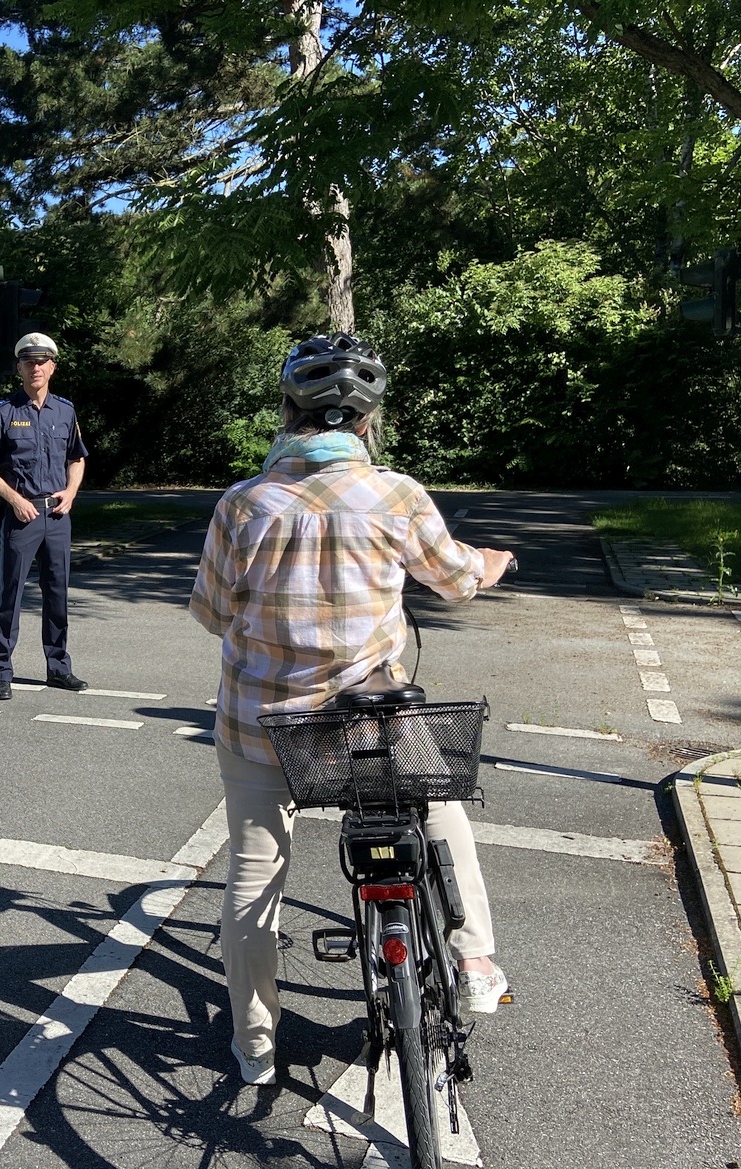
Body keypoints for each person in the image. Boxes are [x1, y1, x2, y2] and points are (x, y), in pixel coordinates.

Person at [189, 333, 516, 1087]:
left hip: (263, 727)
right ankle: (472, 957)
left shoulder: (242, 504)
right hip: (369, 722)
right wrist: (492, 563)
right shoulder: (396, 495)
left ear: (286, 411)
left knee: (254, 873)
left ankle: (255, 1047)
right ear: (368, 423)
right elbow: (457, 578)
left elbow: (211, 612)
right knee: (438, 809)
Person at [0, 332, 89, 700]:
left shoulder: (65, 410)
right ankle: (1, 670)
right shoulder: (5, 413)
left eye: (42, 361)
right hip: (22, 518)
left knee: (57, 594)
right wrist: (14, 499)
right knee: (9, 594)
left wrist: (71, 492)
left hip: (57, 517)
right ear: (19, 368)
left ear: (52, 367)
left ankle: (58, 667)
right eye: (29, 362)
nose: (35, 367)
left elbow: (77, 458)